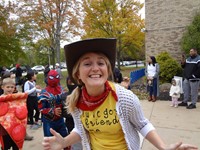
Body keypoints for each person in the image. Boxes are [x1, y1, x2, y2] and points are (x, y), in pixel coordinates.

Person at [41, 38, 198, 150]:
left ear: (108, 70)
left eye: (101, 63)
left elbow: (142, 124)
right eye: (87, 63)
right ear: (77, 74)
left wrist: (163, 147)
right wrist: (63, 142)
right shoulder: (75, 101)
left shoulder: (124, 98)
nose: (95, 68)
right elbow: (81, 129)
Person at [38, 70, 70, 150]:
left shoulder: (62, 89)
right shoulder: (44, 93)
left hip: (61, 120)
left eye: (57, 77)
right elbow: (41, 109)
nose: (55, 79)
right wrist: (52, 111)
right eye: (52, 77)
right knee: (50, 143)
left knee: (66, 141)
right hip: (49, 122)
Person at [0, 78, 31, 150]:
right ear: (2, 87)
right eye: (7, 87)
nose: (10, 89)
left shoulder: (16, 98)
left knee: (16, 146)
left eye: (12, 87)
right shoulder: (1, 99)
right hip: (4, 131)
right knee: (5, 147)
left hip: (16, 129)